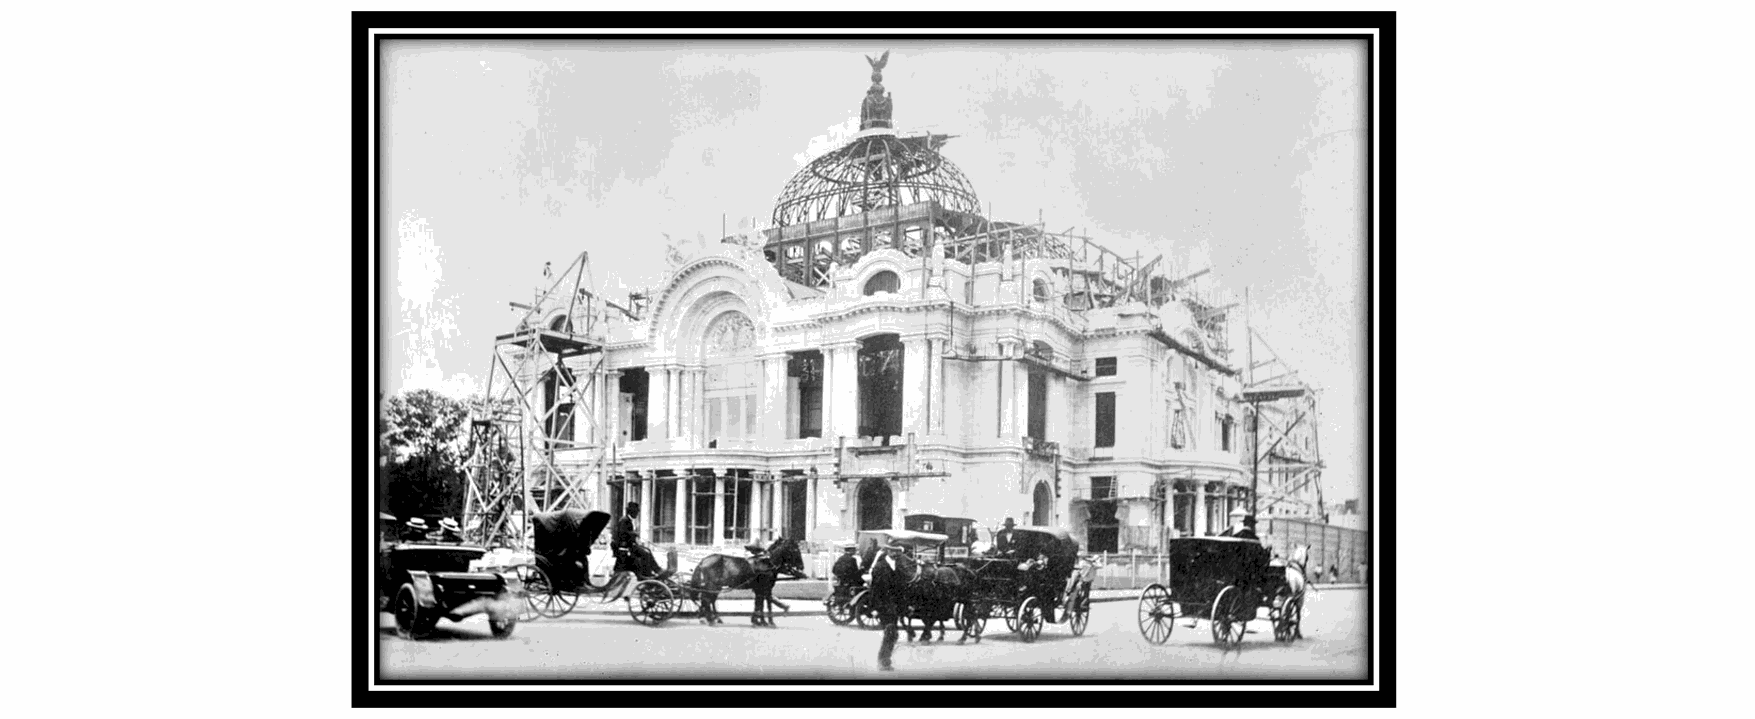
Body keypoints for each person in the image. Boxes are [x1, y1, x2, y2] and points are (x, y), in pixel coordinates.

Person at [612, 502, 664, 579]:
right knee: (645, 553)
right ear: (631, 512)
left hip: (630, 545)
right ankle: (647, 573)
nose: (637, 514)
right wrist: (633, 534)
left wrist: (633, 535)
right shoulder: (624, 520)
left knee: (647, 550)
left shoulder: (627, 520)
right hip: (626, 546)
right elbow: (622, 534)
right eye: (636, 512)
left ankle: (657, 570)